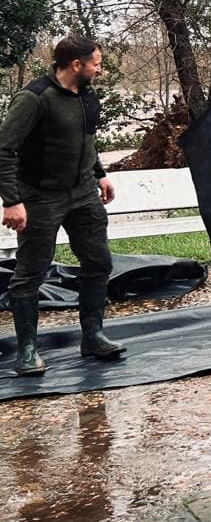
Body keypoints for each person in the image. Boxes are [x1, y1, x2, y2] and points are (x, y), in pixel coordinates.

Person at [0, 35, 123, 376]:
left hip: (84, 193)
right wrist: (12, 201)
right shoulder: (35, 98)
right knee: (30, 273)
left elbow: (87, 140)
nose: (100, 69)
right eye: (96, 64)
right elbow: (4, 149)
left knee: (99, 263)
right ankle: (27, 351)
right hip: (40, 196)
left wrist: (99, 174)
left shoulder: (87, 96)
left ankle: (93, 337)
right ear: (76, 65)